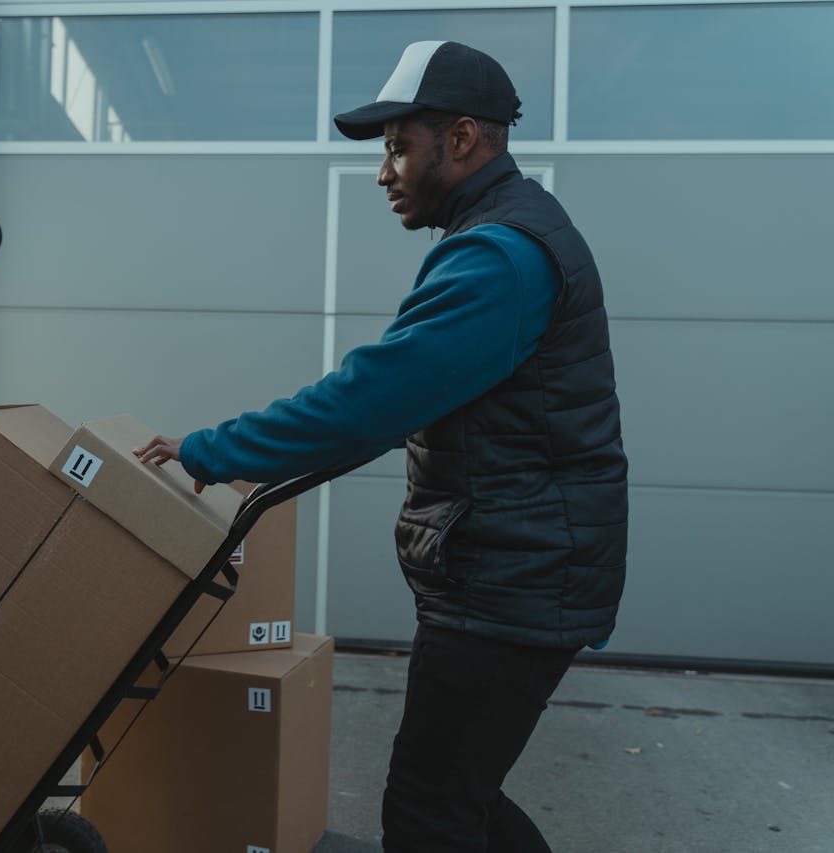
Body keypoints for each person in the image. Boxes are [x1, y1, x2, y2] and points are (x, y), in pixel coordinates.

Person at [134, 40, 627, 852]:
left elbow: (369, 398)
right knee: (460, 795)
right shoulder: (504, 234)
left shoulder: (500, 257)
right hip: (523, 570)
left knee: (431, 809)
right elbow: (397, 406)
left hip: (515, 584)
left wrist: (208, 450)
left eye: (399, 146)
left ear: (463, 139)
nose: (383, 171)